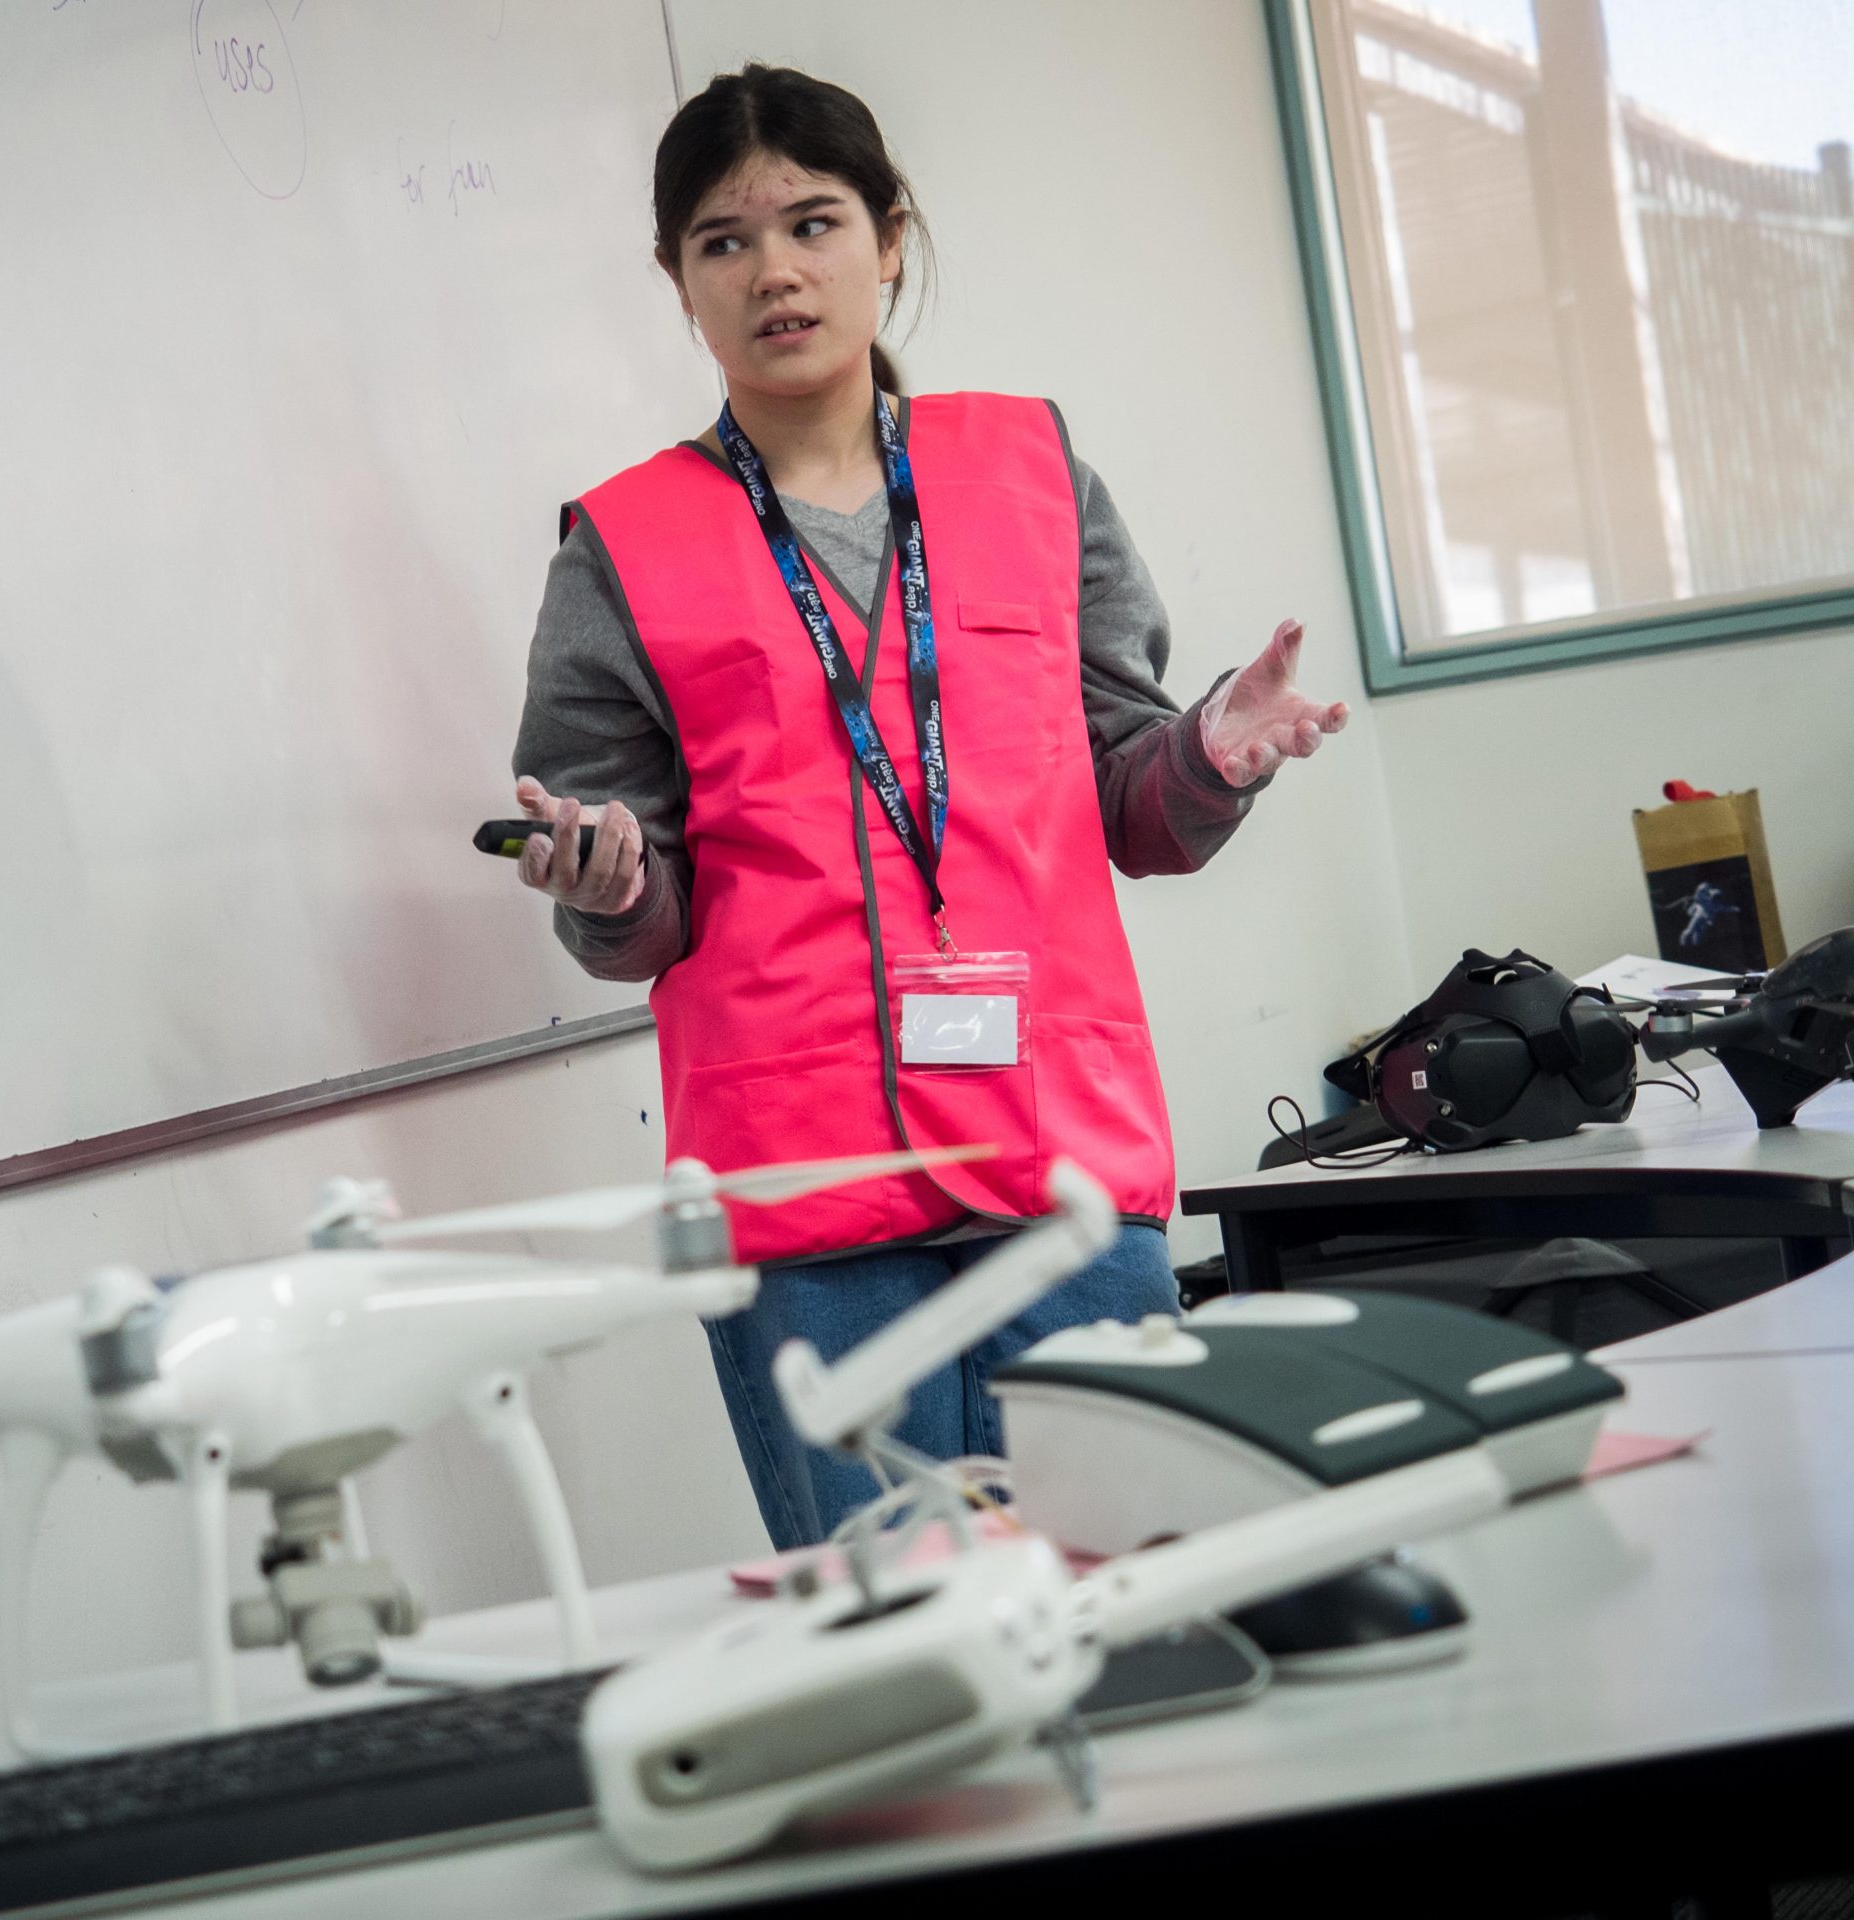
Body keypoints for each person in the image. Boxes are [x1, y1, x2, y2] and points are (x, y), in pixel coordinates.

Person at [508, 64, 1347, 1550]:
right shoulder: (621, 550)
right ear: (677, 281)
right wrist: (610, 887)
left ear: (889, 238)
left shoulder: (1030, 474)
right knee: (907, 1670)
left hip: (1064, 1190)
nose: (775, 270)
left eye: (814, 223)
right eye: (723, 240)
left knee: (1144, 1623)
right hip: (810, 1217)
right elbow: (639, 912)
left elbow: (1127, 805)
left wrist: (1209, 751)